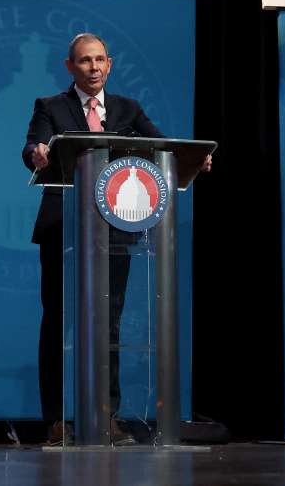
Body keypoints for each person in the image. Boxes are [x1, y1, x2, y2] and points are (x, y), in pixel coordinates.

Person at [21, 33, 210, 445]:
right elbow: (32, 147)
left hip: (116, 230)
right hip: (63, 230)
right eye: (85, 61)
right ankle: (56, 420)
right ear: (70, 66)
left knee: (110, 323)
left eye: (100, 60)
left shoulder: (128, 109)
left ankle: (108, 416)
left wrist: (192, 158)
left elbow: (162, 147)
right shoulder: (50, 107)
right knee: (59, 322)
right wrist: (37, 153)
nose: (93, 67)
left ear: (109, 65)